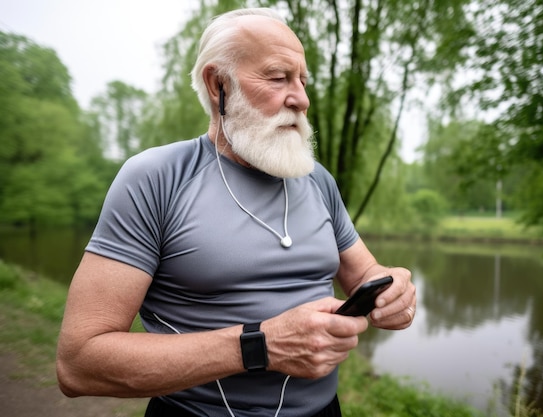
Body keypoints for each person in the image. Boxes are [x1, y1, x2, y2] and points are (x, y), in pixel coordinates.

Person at [56, 7, 416, 417]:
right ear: (217, 84)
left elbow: (364, 275)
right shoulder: (155, 178)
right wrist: (259, 346)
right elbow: (79, 364)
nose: (301, 98)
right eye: (279, 77)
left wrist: (392, 289)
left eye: (302, 80)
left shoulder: (317, 179)